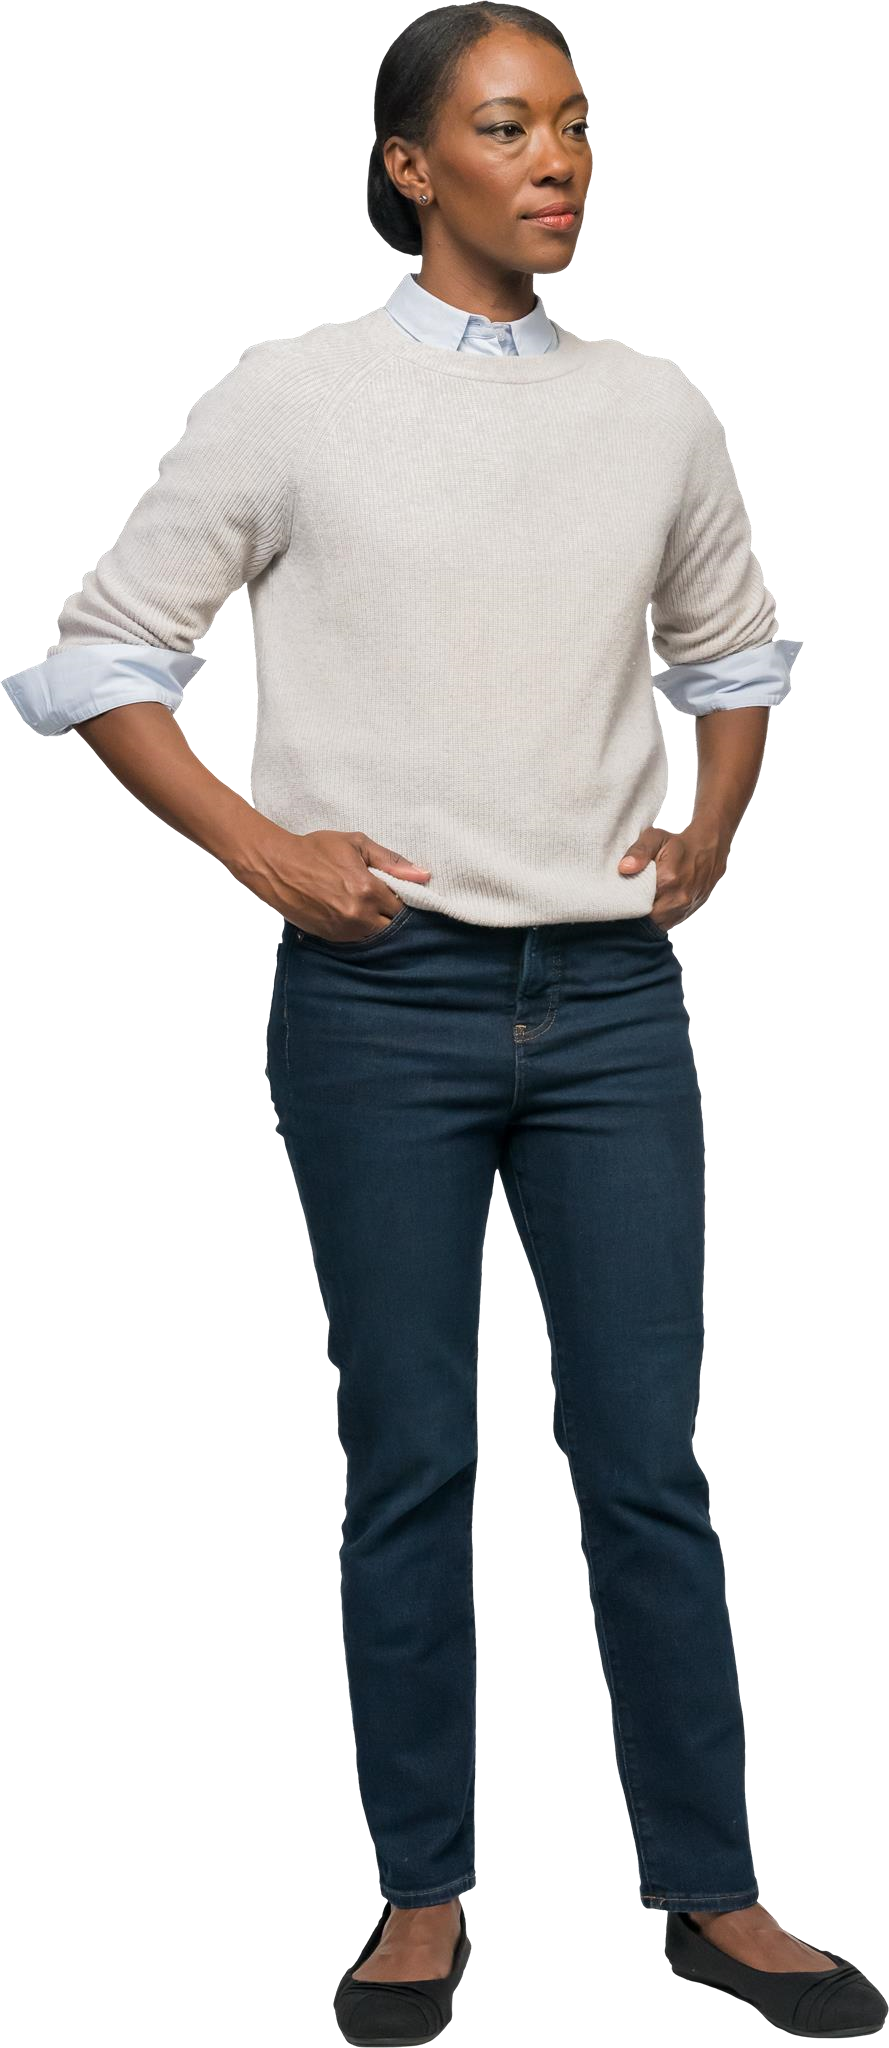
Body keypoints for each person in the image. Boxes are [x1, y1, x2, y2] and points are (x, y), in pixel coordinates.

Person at [3, 8, 882, 2044]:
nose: (554, 158)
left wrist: (714, 828)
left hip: (613, 1007)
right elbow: (107, 654)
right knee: (409, 1454)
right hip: (376, 1004)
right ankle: (422, 1896)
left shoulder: (654, 408)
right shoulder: (295, 397)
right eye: (504, 127)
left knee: (647, 1462)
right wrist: (261, 851)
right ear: (411, 166)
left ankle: (715, 1889)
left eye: (573, 123)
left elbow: (731, 648)